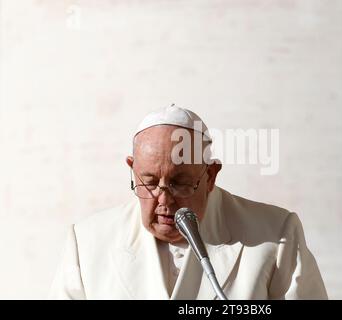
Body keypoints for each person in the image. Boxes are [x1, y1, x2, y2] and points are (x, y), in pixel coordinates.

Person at [49, 104, 327, 299]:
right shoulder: (87, 242)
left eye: (180, 183)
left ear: (210, 176)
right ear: (132, 169)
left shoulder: (275, 234)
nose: (164, 199)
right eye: (149, 181)